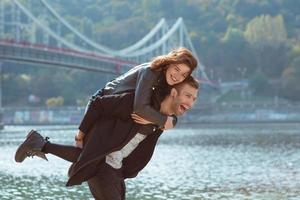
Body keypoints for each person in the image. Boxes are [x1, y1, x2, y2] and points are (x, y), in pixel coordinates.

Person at [15, 76, 199, 200]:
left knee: (90, 156)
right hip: (105, 168)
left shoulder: (163, 118)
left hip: (115, 169)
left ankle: (40, 143)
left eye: (194, 99)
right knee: (91, 156)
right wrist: (81, 134)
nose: (191, 103)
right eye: (188, 96)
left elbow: (168, 117)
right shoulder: (136, 103)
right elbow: (98, 104)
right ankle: (40, 143)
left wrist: (168, 120)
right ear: (173, 93)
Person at [76, 47, 198, 145]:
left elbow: (170, 108)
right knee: (83, 152)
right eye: (176, 69)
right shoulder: (150, 72)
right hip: (103, 103)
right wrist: (162, 120)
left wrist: (173, 120)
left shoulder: (170, 81)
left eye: (183, 75)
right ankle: (78, 137)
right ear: (169, 63)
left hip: (121, 113)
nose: (177, 76)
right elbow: (140, 109)